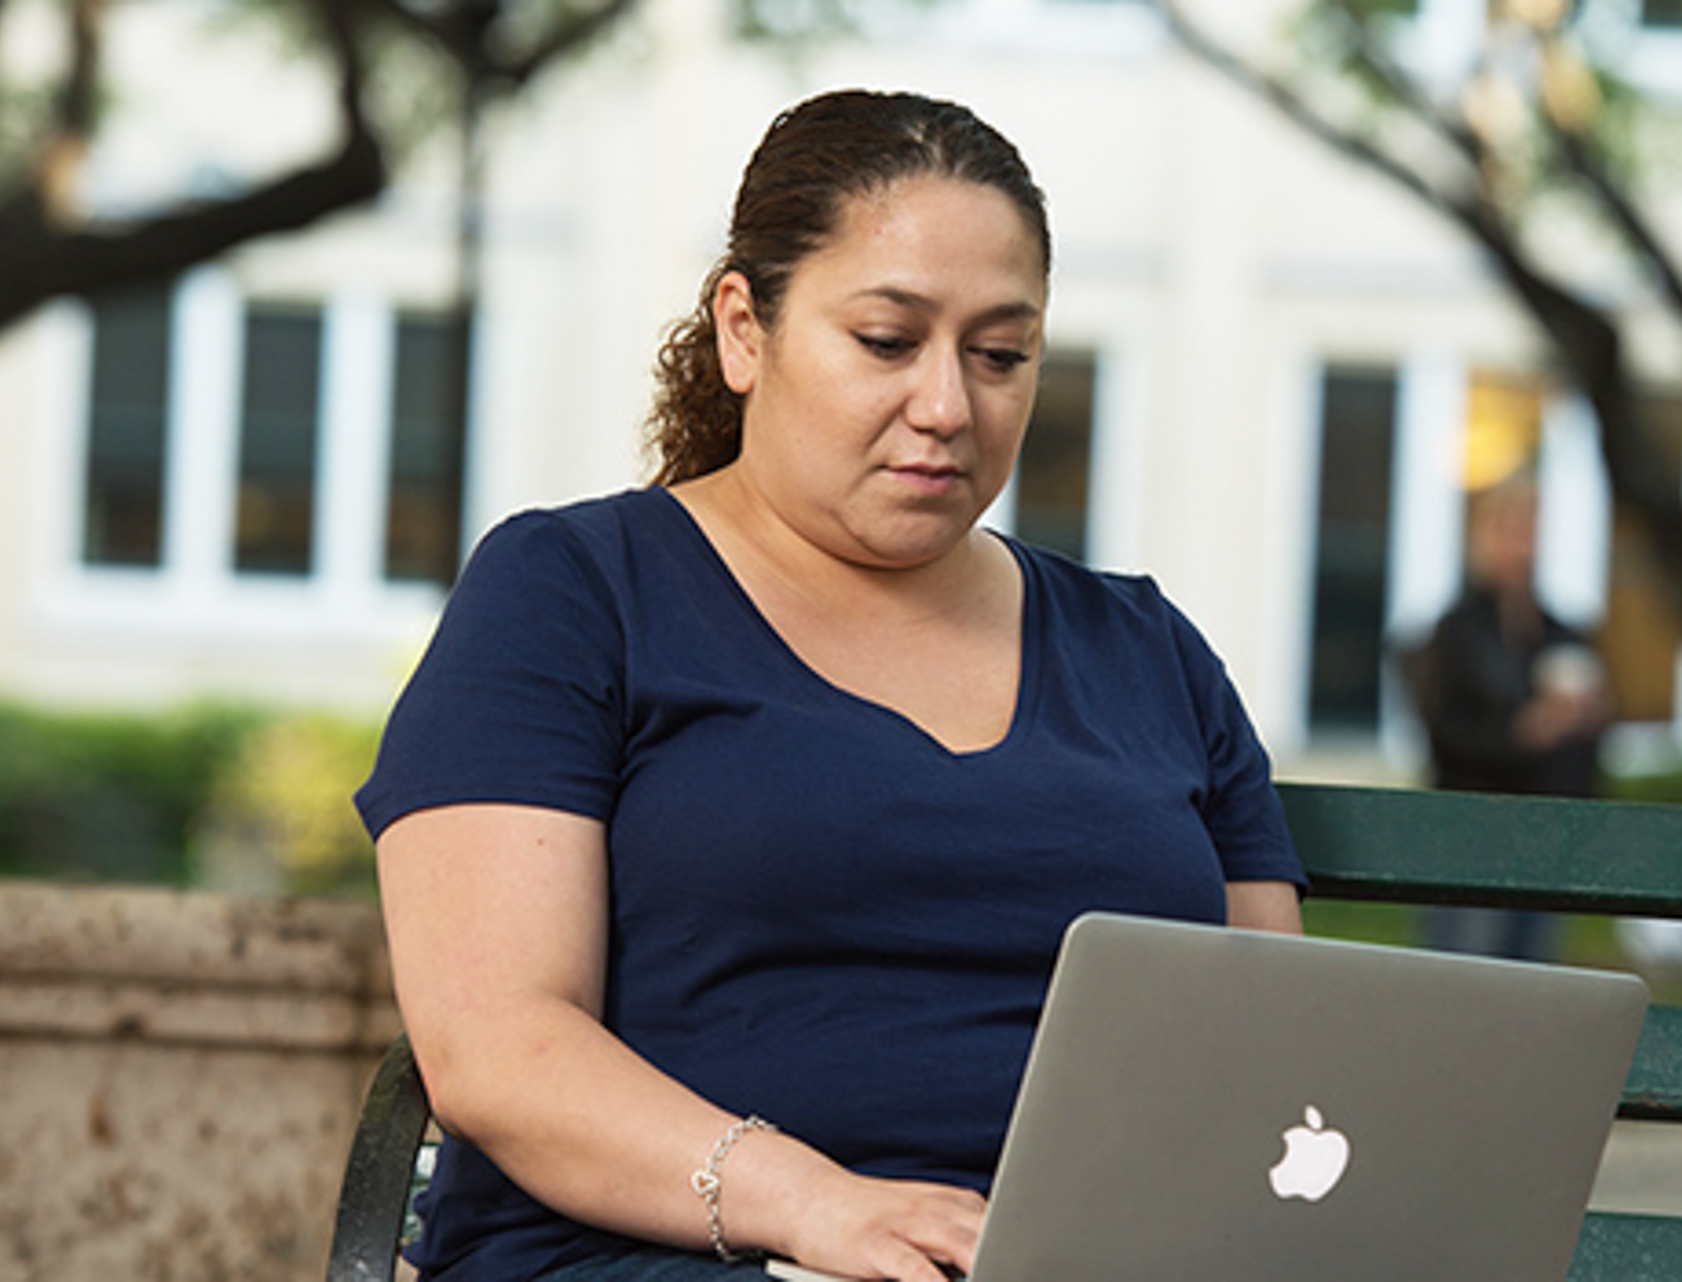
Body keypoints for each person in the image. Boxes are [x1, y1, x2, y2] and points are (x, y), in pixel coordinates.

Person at [357, 88, 1307, 1282]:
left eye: (1001, 354)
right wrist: (815, 1208)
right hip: (676, 1254)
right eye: (886, 341)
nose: (948, 406)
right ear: (744, 332)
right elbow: (498, 1046)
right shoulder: (574, 592)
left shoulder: (1147, 650)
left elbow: (1284, 1054)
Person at [1406, 475, 1607, 961]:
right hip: (1473, 836)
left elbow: (1592, 740)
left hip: (1544, 837)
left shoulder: (1560, 632)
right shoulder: (1456, 632)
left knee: (1534, 975)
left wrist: (1588, 721)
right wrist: (1523, 732)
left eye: (1530, 530)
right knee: (1470, 977)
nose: (1523, 545)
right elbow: (1444, 732)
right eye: (1510, 530)